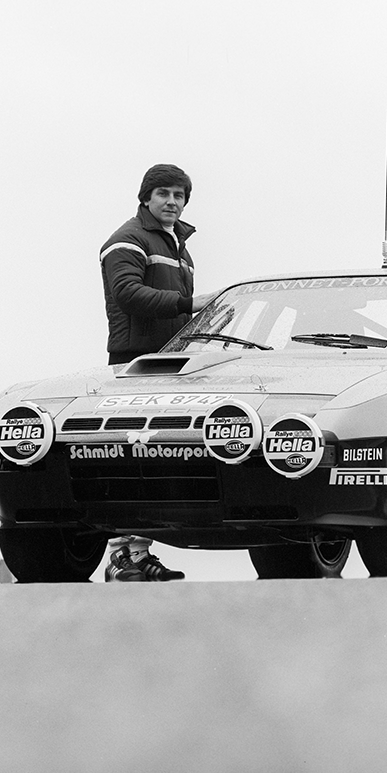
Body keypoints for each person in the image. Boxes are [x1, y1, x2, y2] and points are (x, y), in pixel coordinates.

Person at [98, 162, 216, 582]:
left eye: (179, 195)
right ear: (145, 197)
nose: (172, 202)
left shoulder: (179, 247)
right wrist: (189, 304)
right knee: (126, 459)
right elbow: (127, 294)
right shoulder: (127, 239)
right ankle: (119, 555)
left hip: (172, 367)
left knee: (156, 459)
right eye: (163, 194)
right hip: (134, 365)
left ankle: (138, 552)